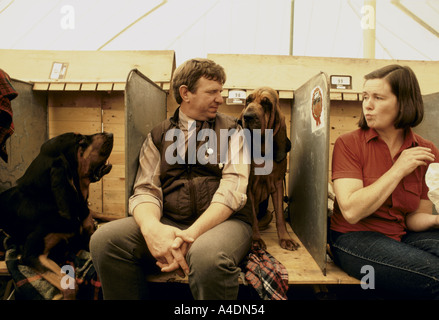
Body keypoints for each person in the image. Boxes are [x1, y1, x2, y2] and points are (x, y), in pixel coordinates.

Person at [90, 58, 252, 300]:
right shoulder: (158, 136)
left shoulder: (233, 131)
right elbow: (146, 190)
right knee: (105, 240)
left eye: (221, 91)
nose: (220, 98)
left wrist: (190, 235)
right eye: (212, 92)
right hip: (171, 220)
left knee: (207, 256)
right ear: (185, 93)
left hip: (224, 224)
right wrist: (153, 230)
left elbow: (232, 191)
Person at [329, 64, 439, 299]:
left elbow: (413, 218)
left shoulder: (426, 151)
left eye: (378, 97)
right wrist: (398, 169)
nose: (367, 105)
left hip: (401, 235)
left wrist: (436, 220)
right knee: (435, 276)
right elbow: (351, 211)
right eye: (366, 96)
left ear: (404, 102)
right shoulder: (348, 144)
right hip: (353, 238)